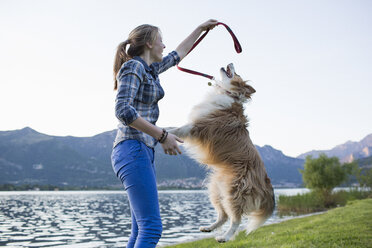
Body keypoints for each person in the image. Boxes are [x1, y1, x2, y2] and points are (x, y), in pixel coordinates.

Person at [111, 19, 218, 248]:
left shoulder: (149, 69)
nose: (164, 45)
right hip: (132, 149)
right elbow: (123, 110)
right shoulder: (134, 67)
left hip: (140, 151)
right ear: (149, 43)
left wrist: (200, 29)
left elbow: (178, 54)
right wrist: (162, 135)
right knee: (151, 228)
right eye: (160, 40)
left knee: (140, 229)